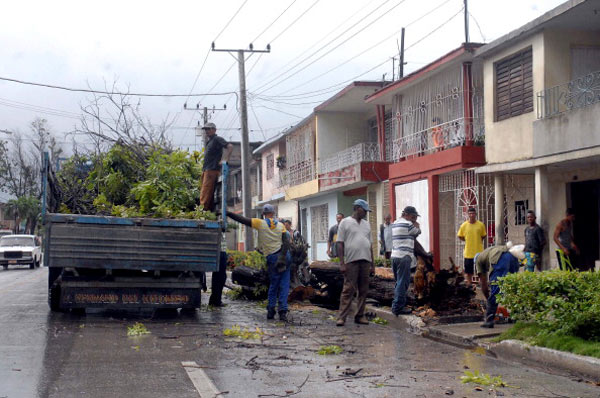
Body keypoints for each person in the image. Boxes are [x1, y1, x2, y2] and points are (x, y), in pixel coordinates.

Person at [227, 204, 291, 321]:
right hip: (284, 256)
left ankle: (271, 310)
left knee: (274, 284)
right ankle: (282, 312)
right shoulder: (281, 225)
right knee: (284, 284)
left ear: (263, 214)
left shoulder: (259, 223)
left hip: (272, 257)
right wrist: (282, 257)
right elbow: (286, 241)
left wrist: (229, 213)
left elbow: (242, 220)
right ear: (273, 213)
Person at [336, 200, 374, 326]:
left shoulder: (366, 224)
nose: (366, 213)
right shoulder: (345, 222)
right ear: (357, 208)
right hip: (352, 261)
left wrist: (373, 264)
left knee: (363, 290)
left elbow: (370, 245)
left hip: (365, 260)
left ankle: (360, 315)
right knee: (348, 289)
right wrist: (342, 263)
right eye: (364, 210)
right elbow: (340, 243)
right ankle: (342, 317)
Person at [476, 242, 525, 328]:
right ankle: (516, 316)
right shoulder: (488, 252)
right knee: (513, 285)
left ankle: (489, 320)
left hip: (500, 258)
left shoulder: (478, 261)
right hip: (512, 256)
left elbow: (483, 284)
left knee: (496, 286)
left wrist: (489, 301)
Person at [391, 206, 421, 316]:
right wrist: (417, 226)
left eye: (415, 217)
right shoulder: (408, 224)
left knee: (398, 282)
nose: (414, 219)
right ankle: (398, 308)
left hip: (395, 256)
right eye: (413, 217)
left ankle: (396, 305)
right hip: (404, 257)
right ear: (406, 214)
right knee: (403, 283)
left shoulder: (395, 223)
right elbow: (417, 232)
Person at [199, 122, 233, 212]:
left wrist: (225, 159)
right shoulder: (209, 142)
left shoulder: (217, 139)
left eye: (209, 129)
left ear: (214, 130)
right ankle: (207, 211)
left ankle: (202, 212)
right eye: (205, 129)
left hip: (212, 170)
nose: (207, 131)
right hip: (206, 170)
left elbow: (229, 146)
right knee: (206, 192)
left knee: (205, 192)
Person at [457, 207, 487, 288]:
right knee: (468, 270)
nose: (471, 215)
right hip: (468, 252)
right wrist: (467, 240)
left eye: (473, 213)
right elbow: (460, 236)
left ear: (475, 214)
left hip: (479, 251)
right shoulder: (464, 225)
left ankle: (481, 283)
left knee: (480, 269)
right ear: (468, 214)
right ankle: (469, 284)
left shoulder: (480, 225)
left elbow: (483, 235)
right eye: (470, 213)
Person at [208, 234, 228, 307]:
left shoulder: (221, 230)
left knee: (219, 277)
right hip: (220, 253)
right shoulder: (219, 226)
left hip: (221, 252)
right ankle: (216, 300)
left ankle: (214, 300)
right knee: (219, 278)